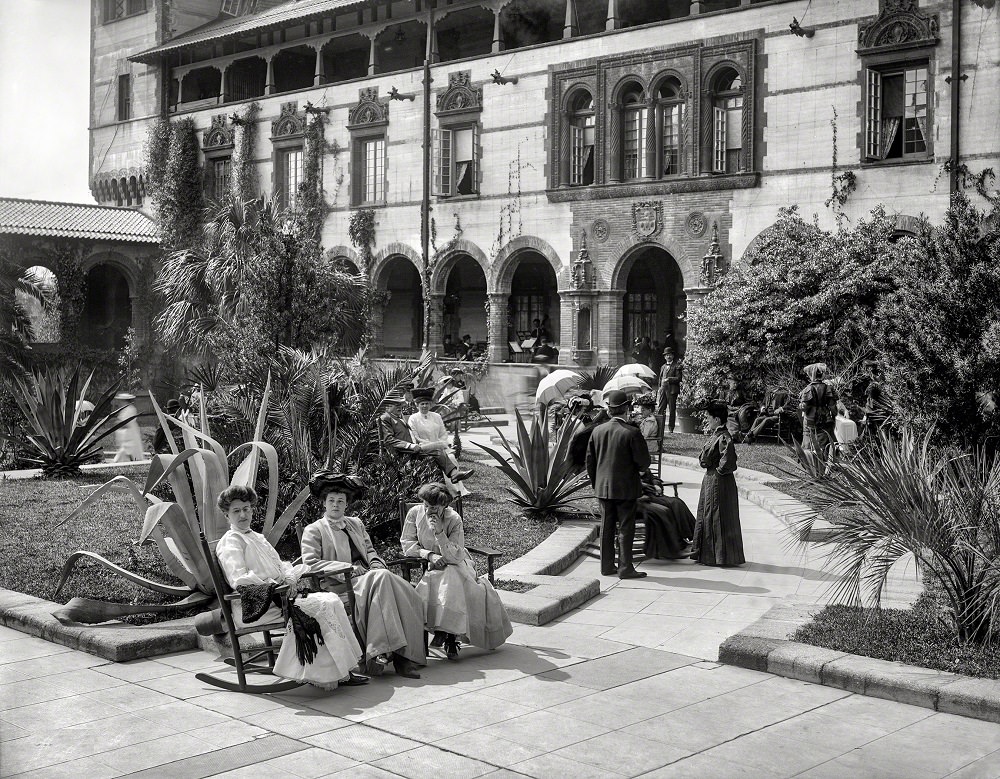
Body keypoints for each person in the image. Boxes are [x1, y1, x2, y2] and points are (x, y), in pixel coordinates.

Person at [215, 485, 367, 689]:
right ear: (227, 515)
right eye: (236, 511)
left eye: (247, 508)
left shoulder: (256, 537)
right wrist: (277, 586)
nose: (243, 514)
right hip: (259, 605)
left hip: (278, 597)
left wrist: (289, 578)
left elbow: (280, 566)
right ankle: (329, 673)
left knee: (330, 599)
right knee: (321, 605)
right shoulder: (230, 542)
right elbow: (239, 579)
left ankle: (342, 670)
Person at [300, 471, 425, 679]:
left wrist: (375, 564)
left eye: (341, 501)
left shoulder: (356, 524)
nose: (336, 505)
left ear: (347, 504)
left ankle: (380, 653)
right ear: (324, 503)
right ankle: (402, 658)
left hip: (371, 580)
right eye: (331, 500)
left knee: (399, 588)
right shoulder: (314, 530)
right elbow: (310, 563)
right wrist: (346, 567)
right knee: (385, 579)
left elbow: (370, 551)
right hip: (340, 584)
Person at [400, 483, 512, 659]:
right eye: (426, 506)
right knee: (445, 576)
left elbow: (456, 554)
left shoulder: (454, 519)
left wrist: (439, 532)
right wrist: (429, 555)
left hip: (458, 564)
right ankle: (449, 634)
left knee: (450, 574)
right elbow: (407, 543)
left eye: (434, 507)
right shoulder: (415, 513)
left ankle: (446, 631)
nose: (429, 510)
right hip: (433, 563)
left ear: (445, 506)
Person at [586, 389, 651, 579]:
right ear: (626, 409)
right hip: (625, 489)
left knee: (606, 527)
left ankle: (606, 566)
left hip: (603, 488)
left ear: (609, 410)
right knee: (625, 527)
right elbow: (644, 462)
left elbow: (589, 462)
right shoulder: (632, 432)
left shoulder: (597, 431)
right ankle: (625, 567)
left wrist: (596, 483)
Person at [690, 401, 744, 566]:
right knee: (708, 514)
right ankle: (708, 554)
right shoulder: (716, 435)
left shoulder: (724, 437)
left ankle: (719, 556)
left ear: (717, 419)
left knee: (717, 515)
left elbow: (728, 460)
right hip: (711, 480)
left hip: (718, 482)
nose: (707, 419)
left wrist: (718, 472)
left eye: (709, 417)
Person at [378, 392, 473, 482]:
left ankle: (453, 477)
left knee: (438, 449)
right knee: (437, 450)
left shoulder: (399, 416)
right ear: (388, 406)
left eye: (400, 405)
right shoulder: (386, 418)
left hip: (414, 447)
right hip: (403, 451)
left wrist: (418, 442)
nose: (400, 407)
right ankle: (453, 476)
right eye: (396, 405)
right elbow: (388, 440)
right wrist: (410, 446)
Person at [638, 472, 696, 560]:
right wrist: (646, 485)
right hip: (642, 498)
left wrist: (656, 484)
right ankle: (676, 543)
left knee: (677, 502)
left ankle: (691, 535)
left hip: (653, 495)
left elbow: (655, 478)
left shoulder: (642, 466)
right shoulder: (628, 467)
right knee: (671, 505)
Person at [798, 363, 838, 460]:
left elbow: (804, 407)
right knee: (824, 441)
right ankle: (824, 462)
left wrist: (801, 405)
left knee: (808, 440)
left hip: (810, 419)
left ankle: (808, 462)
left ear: (812, 375)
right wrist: (835, 416)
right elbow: (833, 406)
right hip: (825, 418)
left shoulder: (808, 389)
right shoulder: (828, 388)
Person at [656, 350, 683, 432]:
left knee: (671, 410)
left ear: (673, 356)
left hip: (672, 391)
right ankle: (659, 427)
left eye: (670, 355)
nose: (668, 357)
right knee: (661, 409)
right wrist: (659, 389)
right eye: (667, 355)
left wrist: (669, 379)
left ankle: (671, 428)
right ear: (664, 357)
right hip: (663, 390)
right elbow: (660, 379)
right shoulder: (663, 367)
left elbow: (679, 378)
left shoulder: (676, 366)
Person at [112, 393, 144, 462]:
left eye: (121, 401)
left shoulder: (130, 409)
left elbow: (125, 422)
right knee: (126, 453)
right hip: (126, 436)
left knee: (127, 451)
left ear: (125, 401)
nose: (119, 403)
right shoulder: (124, 410)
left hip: (130, 435)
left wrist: (118, 423)